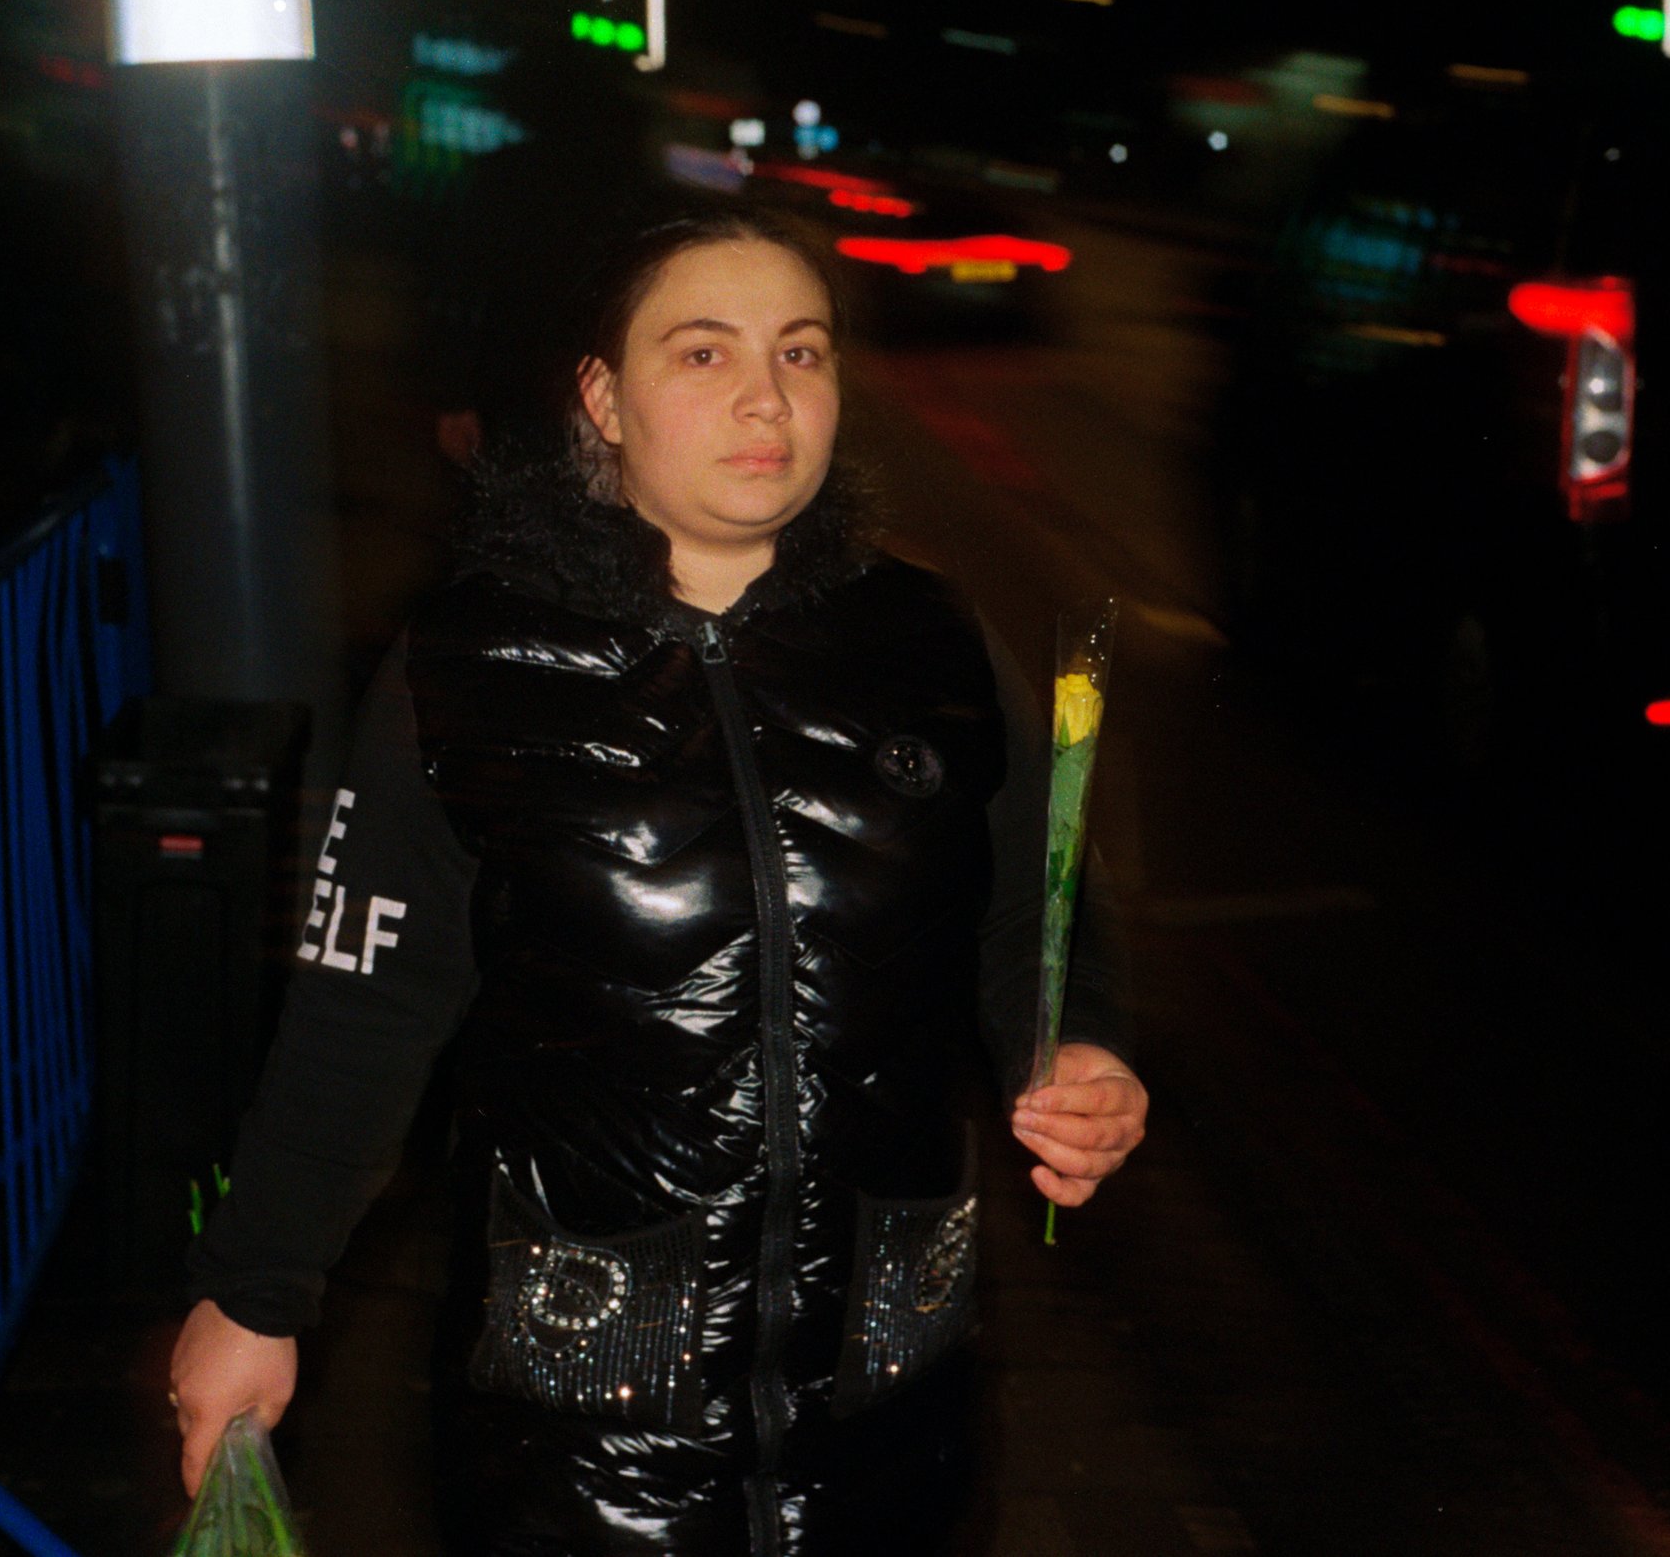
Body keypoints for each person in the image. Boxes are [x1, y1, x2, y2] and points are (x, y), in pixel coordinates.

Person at [171, 201, 1148, 1555]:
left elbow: (1034, 926)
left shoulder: (929, 639)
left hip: (890, 1402)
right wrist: (255, 1293)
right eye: (702, 354)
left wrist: (1083, 1052)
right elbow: (363, 1008)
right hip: (584, 1426)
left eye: (801, 354)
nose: (765, 398)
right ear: (602, 399)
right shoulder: (469, 672)